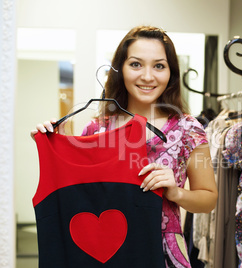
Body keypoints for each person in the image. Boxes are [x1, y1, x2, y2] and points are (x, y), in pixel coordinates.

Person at [31, 25, 218, 267]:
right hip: (107, 252)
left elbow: (208, 199)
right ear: (120, 70)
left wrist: (176, 193)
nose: (148, 76)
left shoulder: (188, 129)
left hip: (164, 253)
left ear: (171, 73)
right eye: (136, 64)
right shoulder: (97, 129)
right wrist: (52, 141)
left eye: (159, 66)